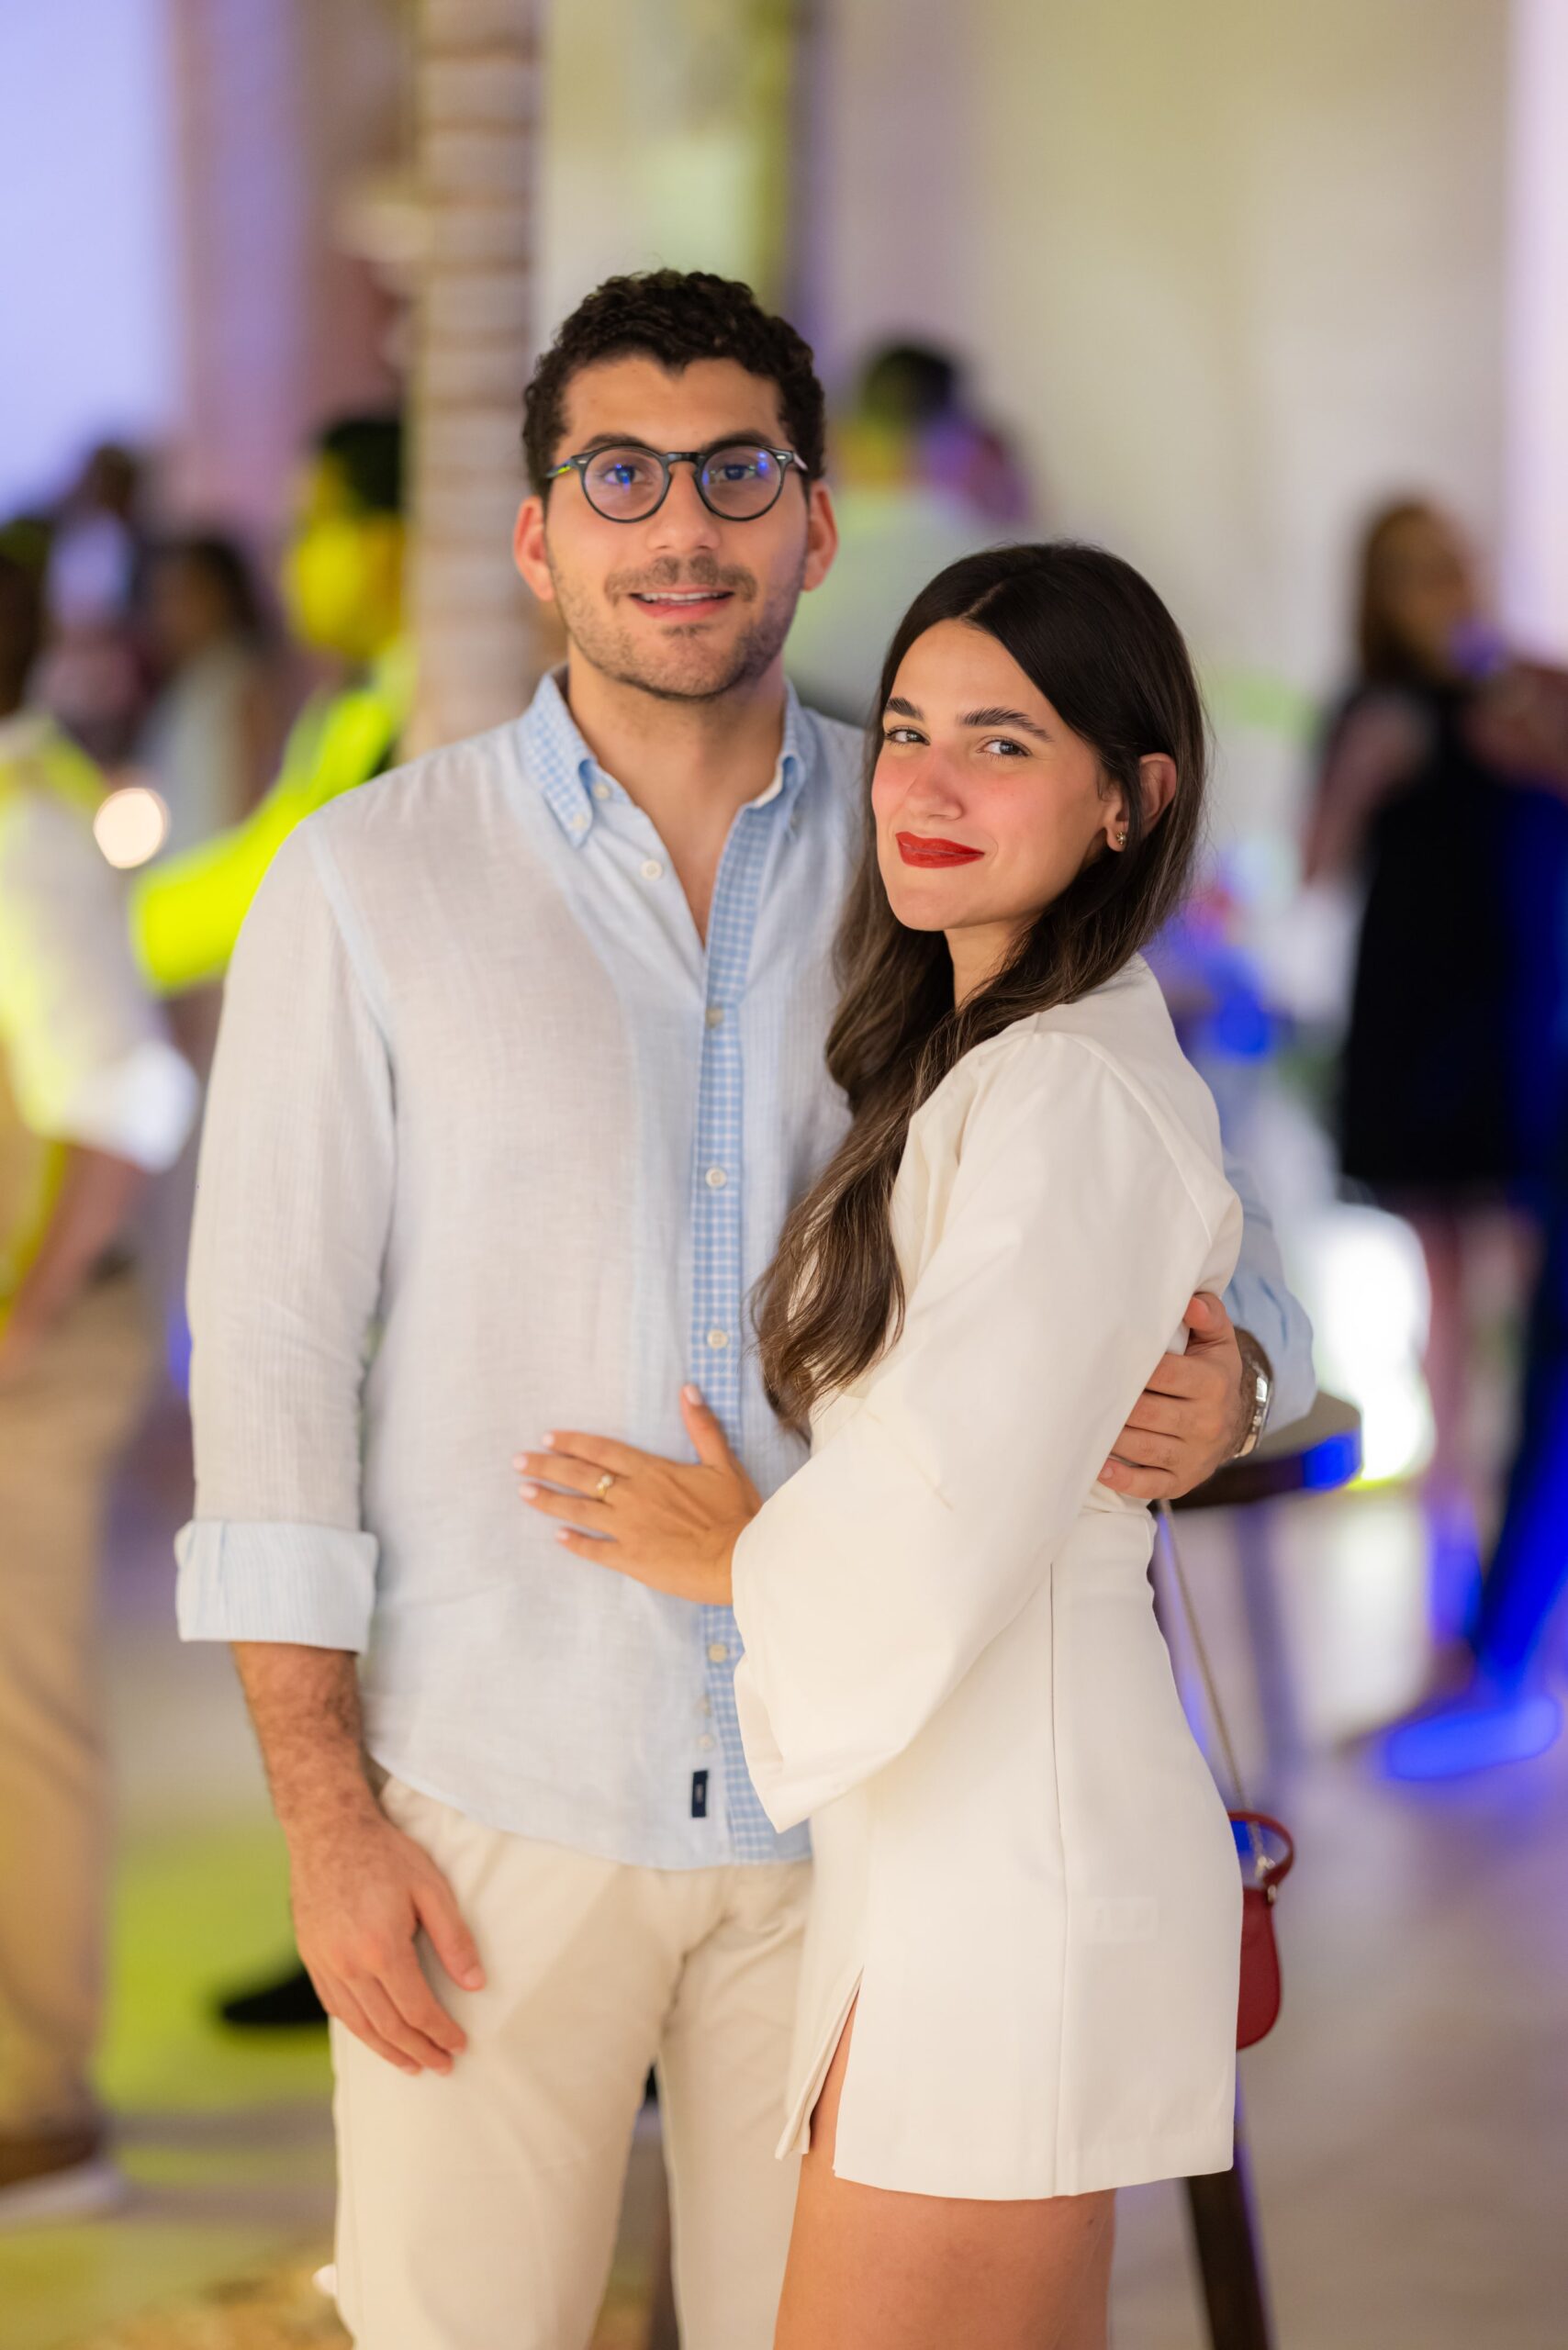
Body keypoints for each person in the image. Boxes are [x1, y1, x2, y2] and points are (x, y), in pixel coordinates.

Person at [177, 271, 1313, 2349]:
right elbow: (267, 1360)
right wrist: (327, 1823)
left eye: (734, 472)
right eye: (619, 474)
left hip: (849, 1826)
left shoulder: (936, 838)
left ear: (812, 521)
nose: (679, 524)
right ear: (539, 533)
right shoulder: (364, 882)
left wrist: (1238, 1377)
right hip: (493, 1795)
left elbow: (1187, 1223)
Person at [520, 540, 1243, 2348]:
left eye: (1001, 743)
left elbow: (943, 1509)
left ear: (1126, 799)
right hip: (955, 1841)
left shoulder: (1062, 1088)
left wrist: (729, 1553)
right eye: (907, 729)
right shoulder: (979, 1058)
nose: (920, 784)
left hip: (1010, 1855)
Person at [0, 535, 196, 2224]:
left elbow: (129, 1100)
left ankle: (31, 2107)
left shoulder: (22, 837)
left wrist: (24, 1319)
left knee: (18, 1721)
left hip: (35, 1350)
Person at [1305, 498, 1568, 1644]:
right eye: (1411, 573)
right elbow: (1314, 868)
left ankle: (1524, 1571)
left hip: (1519, 1033)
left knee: (1532, 1312)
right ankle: (1450, 1563)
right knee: (1445, 1312)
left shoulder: (1527, 695)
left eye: (1449, 566)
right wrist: (1361, 776)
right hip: (1414, 1038)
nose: (1438, 591)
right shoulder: (1368, 712)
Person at [129, 415, 410, 998]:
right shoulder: (350, 710)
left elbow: (271, 887)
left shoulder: (426, 710)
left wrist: (100, 942)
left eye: (311, 528)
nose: (291, 559)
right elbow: (268, 861)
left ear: (389, 541)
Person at [139, 532, 289, 856]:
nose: (170, 613)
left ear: (224, 596)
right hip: (186, 867)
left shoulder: (241, 679)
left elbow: (256, 797)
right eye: (162, 599)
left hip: (223, 866)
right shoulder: (186, 684)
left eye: (185, 595)